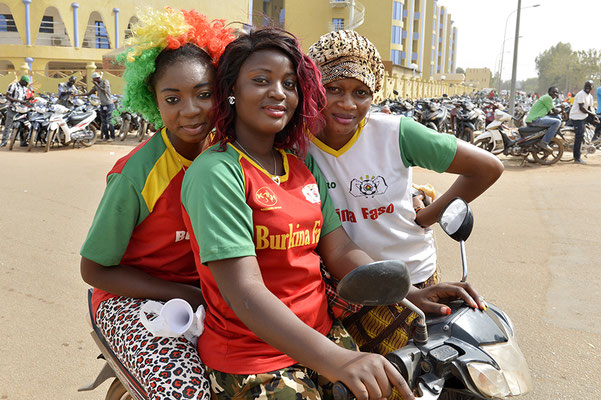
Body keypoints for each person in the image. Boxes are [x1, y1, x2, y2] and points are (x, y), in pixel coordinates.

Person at [181, 27, 483, 400]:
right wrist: (335, 361)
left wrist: (404, 294)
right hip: (254, 357)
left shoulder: (300, 167)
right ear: (231, 92)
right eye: (261, 80)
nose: (278, 92)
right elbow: (245, 292)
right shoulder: (217, 173)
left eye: (289, 83)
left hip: (325, 335)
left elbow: (339, 249)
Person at [306, 31, 501, 397]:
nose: (347, 104)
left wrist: (427, 217)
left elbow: (487, 167)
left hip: (415, 283)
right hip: (342, 293)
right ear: (313, 87)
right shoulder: (296, 145)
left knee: (415, 386)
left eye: (360, 92)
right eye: (333, 88)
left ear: (374, 94)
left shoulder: (395, 133)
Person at [79, 8, 234, 399]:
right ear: (153, 100)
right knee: (186, 391)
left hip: (211, 294)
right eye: (173, 98)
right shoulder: (136, 174)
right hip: (129, 299)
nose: (191, 110)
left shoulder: (232, 156)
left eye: (203, 94)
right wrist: (184, 294)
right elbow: (94, 269)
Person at [77, 71, 115, 141]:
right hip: (102, 105)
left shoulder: (105, 82)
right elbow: (89, 93)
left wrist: (97, 85)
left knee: (109, 121)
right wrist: (77, 95)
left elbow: (105, 91)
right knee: (103, 122)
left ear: (97, 78)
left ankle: (112, 137)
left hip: (109, 104)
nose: (93, 81)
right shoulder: (96, 85)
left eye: (94, 80)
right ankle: (106, 137)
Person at [569, 80, 600, 164]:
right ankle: (577, 158)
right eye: (586, 86)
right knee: (579, 136)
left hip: (584, 116)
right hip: (577, 117)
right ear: (584, 86)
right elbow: (582, 109)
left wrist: (594, 116)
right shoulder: (581, 94)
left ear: (591, 88)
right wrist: (592, 113)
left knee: (599, 123)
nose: (587, 88)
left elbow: (590, 107)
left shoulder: (589, 96)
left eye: (589, 87)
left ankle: (595, 138)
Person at [525, 86, 562, 152]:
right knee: (557, 122)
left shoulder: (546, 97)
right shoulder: (548, 98)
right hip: (535, 119)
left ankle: (547, 137)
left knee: (557, 118)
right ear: (549, 92)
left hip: (536, 118)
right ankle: (544, 142)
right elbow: (555, 111)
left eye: (557, 92)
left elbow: (550, 113)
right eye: (553, 92)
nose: (555, 94)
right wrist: (563, 110)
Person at [1, 75, 29, 147]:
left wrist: (29, 98)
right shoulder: (13, 86)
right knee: (8, 125)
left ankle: (22, 142)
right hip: (12, 108)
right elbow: (7, 96)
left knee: (23, 125)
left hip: (21, 109)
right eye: (26, 83)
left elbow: (24, 98)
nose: (27, 84)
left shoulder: (25, 88)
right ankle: (4, 141)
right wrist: (18, 101)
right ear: (22, 81)